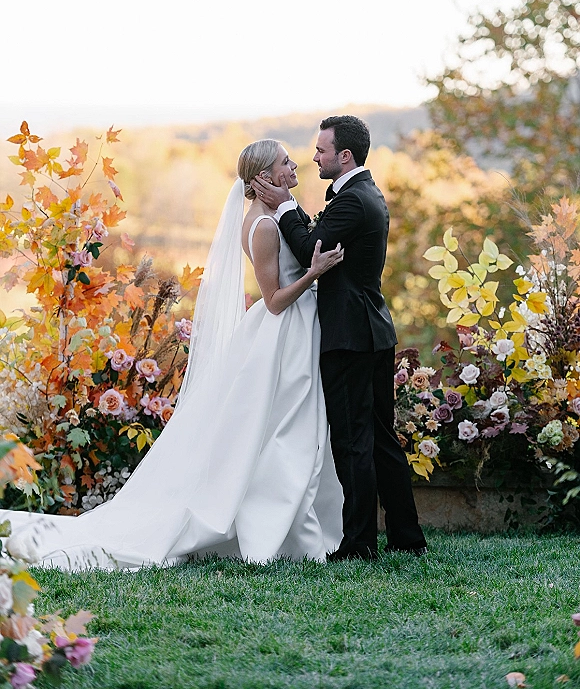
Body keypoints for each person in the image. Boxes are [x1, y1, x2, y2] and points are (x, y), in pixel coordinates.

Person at [1, 140, 344, 569]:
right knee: (284, 434)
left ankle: (291, 524)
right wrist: (314, 273)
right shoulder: (263, 227)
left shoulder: (275, 216)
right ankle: (277, 528)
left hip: (294, 332)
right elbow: (274, 300)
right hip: (283, 334)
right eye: (284, 162)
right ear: (263, 177)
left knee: (287, 433)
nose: (294, 164)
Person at [252, 115, 427, 560]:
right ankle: (406, 537)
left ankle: (358, 543)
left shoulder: (351, 200)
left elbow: (312, 247)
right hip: (373, 331)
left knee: (353, 441)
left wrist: (287, 205)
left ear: (343, 155)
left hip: (350, 336)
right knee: (381, 439)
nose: (314, 157)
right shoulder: (363, 194)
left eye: (321, 150)